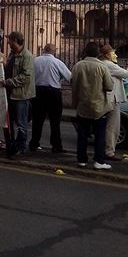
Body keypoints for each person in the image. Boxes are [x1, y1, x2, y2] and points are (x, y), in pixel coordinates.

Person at [72, 41, 114, 170]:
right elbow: (109, 86)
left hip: (82, 105)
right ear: (98, 53)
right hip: (99, 107)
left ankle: (81, 160)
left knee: (82, 134)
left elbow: (72, 82)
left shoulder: (78, 66)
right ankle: (99, 161)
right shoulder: (102, 67)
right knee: (100, 135)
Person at [29, 43, 71, 153]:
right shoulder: (57, 62)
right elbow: (69, 77)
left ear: (44, 50)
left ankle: (34, 143)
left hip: (38, 91)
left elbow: (29, 76)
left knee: (37, 120)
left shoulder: (35, 61)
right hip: (53, 92)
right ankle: (56, 146)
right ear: (54, 51)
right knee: (55, 121)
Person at [3, 31, 35, 156]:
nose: (8, 43)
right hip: (10, 94)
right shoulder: (12, 54)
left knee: (21, 123)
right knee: (9, 122)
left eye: (10, 40)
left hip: (21, 95)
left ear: (15, 40)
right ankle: (11, 145)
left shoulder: (26, 56)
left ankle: (21, 146)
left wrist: (9, 82)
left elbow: (26, 76)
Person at [99, 44, 128, 161]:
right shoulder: (109, 65)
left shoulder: (102, 63)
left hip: (105, 98)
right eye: (113, 53)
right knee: (113, 127)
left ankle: (104, 150)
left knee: (103, 126)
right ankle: (109, 152)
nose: (115, 55)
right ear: (107, 55)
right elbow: (126, 74)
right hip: (112, 99)